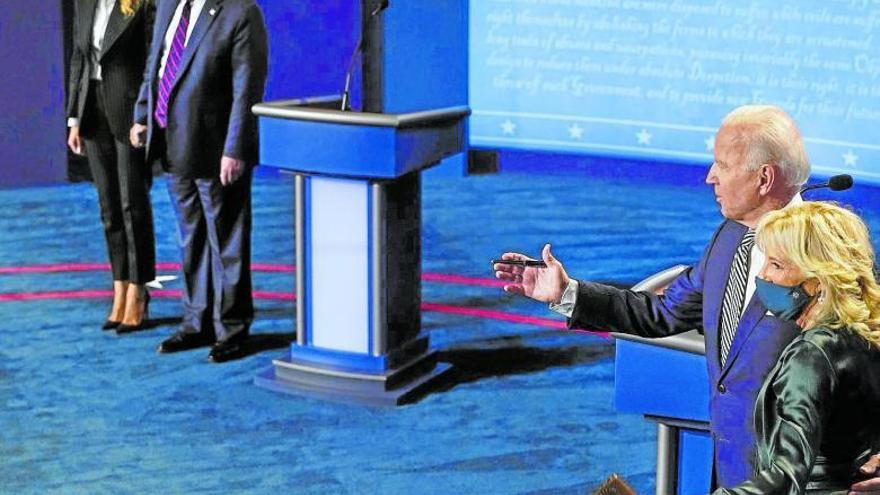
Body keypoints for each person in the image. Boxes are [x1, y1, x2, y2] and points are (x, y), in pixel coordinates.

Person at [494, 105, 880, 491]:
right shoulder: (728, 239)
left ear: (764, 178)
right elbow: (663, 313)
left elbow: (867, 354)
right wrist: (565, 293)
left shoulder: (826, 253)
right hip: (731, 472)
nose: (710, 176)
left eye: (722, 165)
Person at [130, 0, 268, 362]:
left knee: (227, 241)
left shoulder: (240, 12)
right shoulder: (168, 6)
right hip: (171, 143)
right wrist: (143, 113)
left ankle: (233, 328)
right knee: (191, 238)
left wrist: (235, 147)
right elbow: (156, 65)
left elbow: (247, 87)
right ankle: (196, 323)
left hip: (215, 149)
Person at [713, 201, 880, 494]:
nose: (762, 276)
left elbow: (786, 476)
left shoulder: (811, 355)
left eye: (776, 265)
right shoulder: (866, 336)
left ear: (818, 283)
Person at [66, 0, 156, 333]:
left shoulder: (143, 3)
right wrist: (73, 118)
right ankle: (119, 287)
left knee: (133, 204)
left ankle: (138, 290)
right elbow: (79, 56)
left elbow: (153, 59)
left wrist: (145, 114)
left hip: (129, 111)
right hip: (92, 111)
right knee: (109, 208)